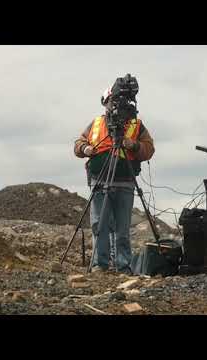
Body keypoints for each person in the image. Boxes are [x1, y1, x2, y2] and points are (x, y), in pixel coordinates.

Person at [74, 85, 155, 274]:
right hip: (99, 180)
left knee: (122, 227)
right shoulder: (96, 124)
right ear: (105, 103)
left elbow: (149, 149)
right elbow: (79, 143)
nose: (115, 106)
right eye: (112, 102)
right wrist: (85, 149)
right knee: (99, 224)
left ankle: (123, 266)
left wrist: (133, 145)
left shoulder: (136, 124)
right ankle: (99, 265)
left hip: (125, 181)